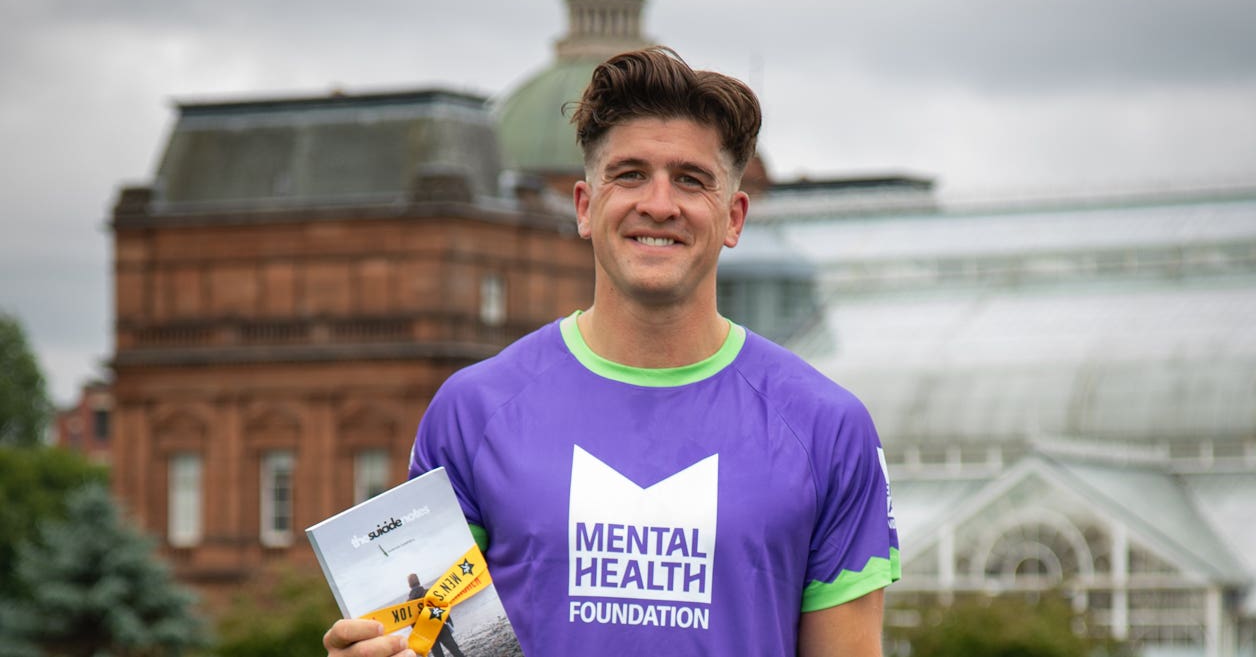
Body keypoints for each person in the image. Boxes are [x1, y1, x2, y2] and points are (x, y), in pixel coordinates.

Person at [325, 47, 899, 657]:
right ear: (584, 207)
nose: (658, 203)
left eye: (690, 179)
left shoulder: (828, 428)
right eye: (629, 175)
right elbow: (431, 643)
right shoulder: (472, 410)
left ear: (733, 218)